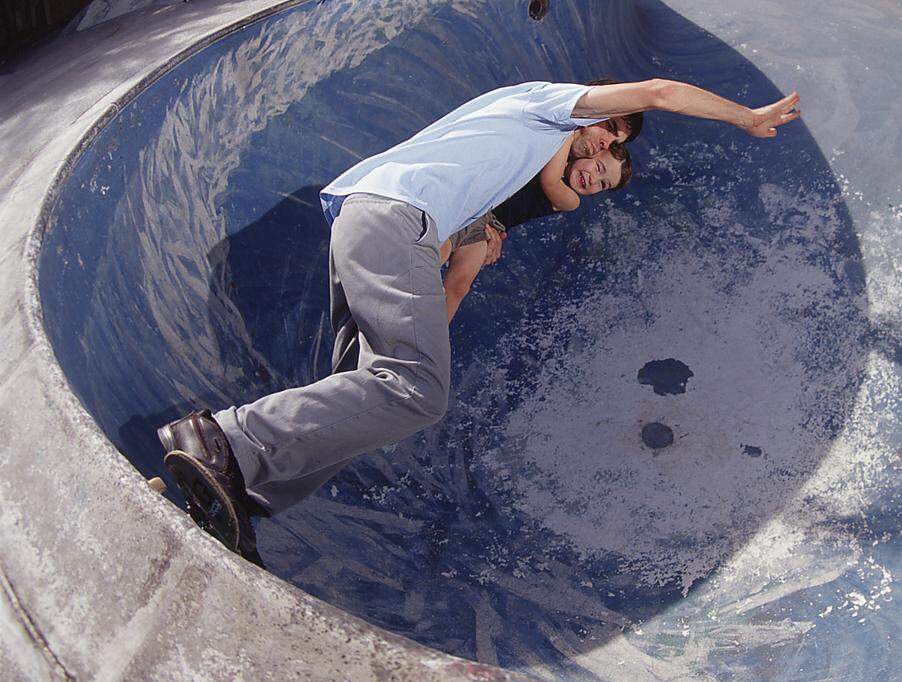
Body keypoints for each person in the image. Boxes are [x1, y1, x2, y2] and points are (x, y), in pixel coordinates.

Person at [157, 79, 801, 565]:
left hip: (380, 223)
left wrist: (432, 330)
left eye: (613, 155)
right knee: (415, 392)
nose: (605, 147)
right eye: (609, 138)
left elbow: (460, 275)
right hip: (393, 218)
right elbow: (658, 93)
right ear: (595, 114)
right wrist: (746, 117)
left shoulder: (504, 182)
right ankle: (224, 439)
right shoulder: (548, 107)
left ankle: (232, 493)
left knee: (364, 405)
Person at [442, 136, 633, 321]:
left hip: (490, 226)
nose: (594, 180)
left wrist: (572, 130)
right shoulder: (549, 152)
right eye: (598, 168)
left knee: (459, 286)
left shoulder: (570, 200)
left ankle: (426, 345)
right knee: (440, 250)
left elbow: (549, 180)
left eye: (603, 184)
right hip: (478, 206)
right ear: (591, 153)